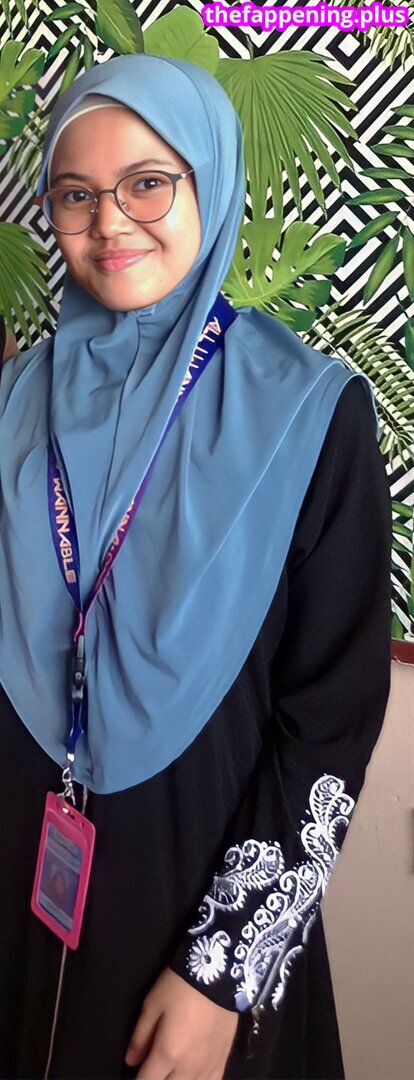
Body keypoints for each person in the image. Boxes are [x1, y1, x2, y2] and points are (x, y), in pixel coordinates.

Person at [0, 53, 391, 1080]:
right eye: (75, 194)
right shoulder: (12, 405)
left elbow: (332, 719)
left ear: (208, 182)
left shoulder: (310, 414)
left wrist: (224, 973)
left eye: (145, 183)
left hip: (194, 919)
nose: (108, 223)